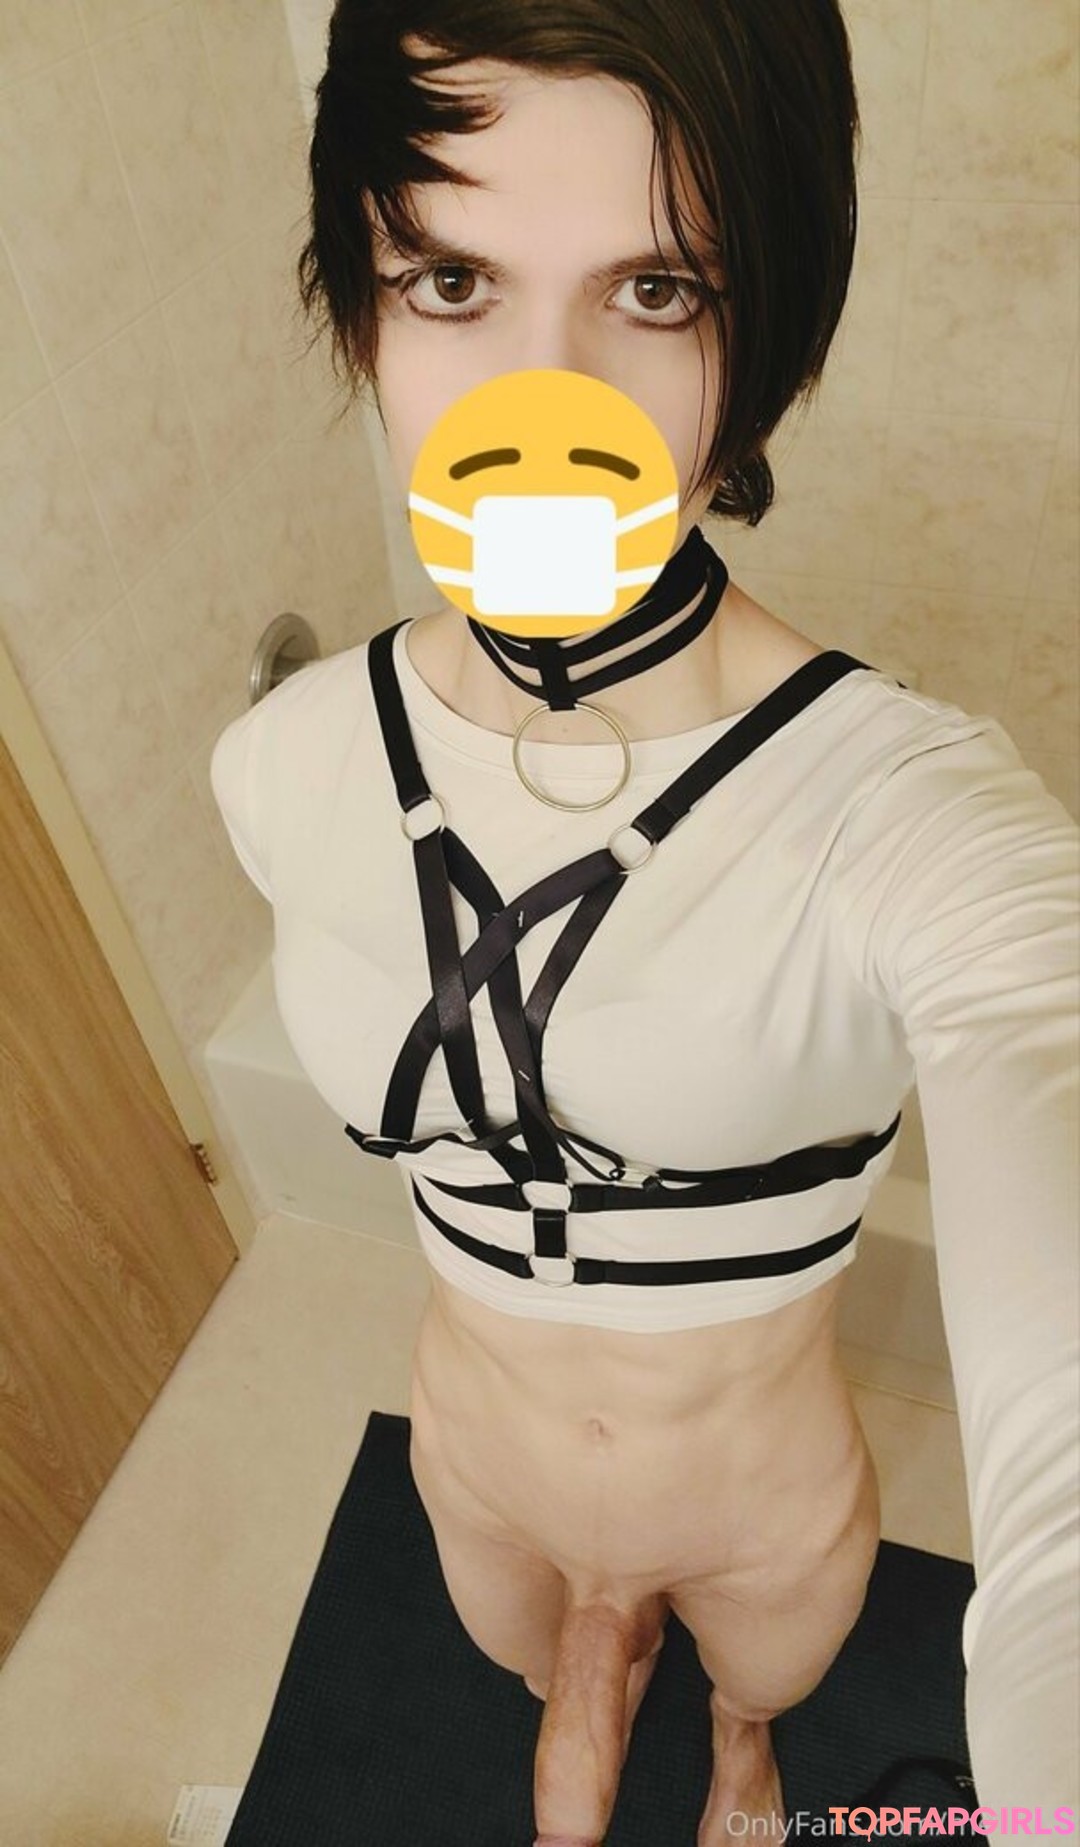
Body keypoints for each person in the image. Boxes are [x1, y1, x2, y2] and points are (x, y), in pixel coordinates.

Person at [212, 3, 1080, 1840]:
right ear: (360, 307)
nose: (548, 408)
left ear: (768, 329)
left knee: (760, 1700)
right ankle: (594, 1669)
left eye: (659, 290)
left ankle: (738, 1742)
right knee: (538, 1676)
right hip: (481, 1489)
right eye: (453, 279)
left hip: (765, 1521)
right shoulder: (282, 765)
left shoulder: (909, 814)